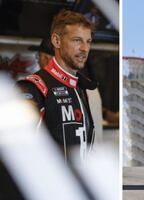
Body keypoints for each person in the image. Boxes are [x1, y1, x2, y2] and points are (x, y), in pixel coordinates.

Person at [17, 10, 96, 163]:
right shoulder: (32, 87)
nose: (84, 49)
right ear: (57, 41)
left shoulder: (81, 87)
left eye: (88, 41)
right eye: (77, 40)